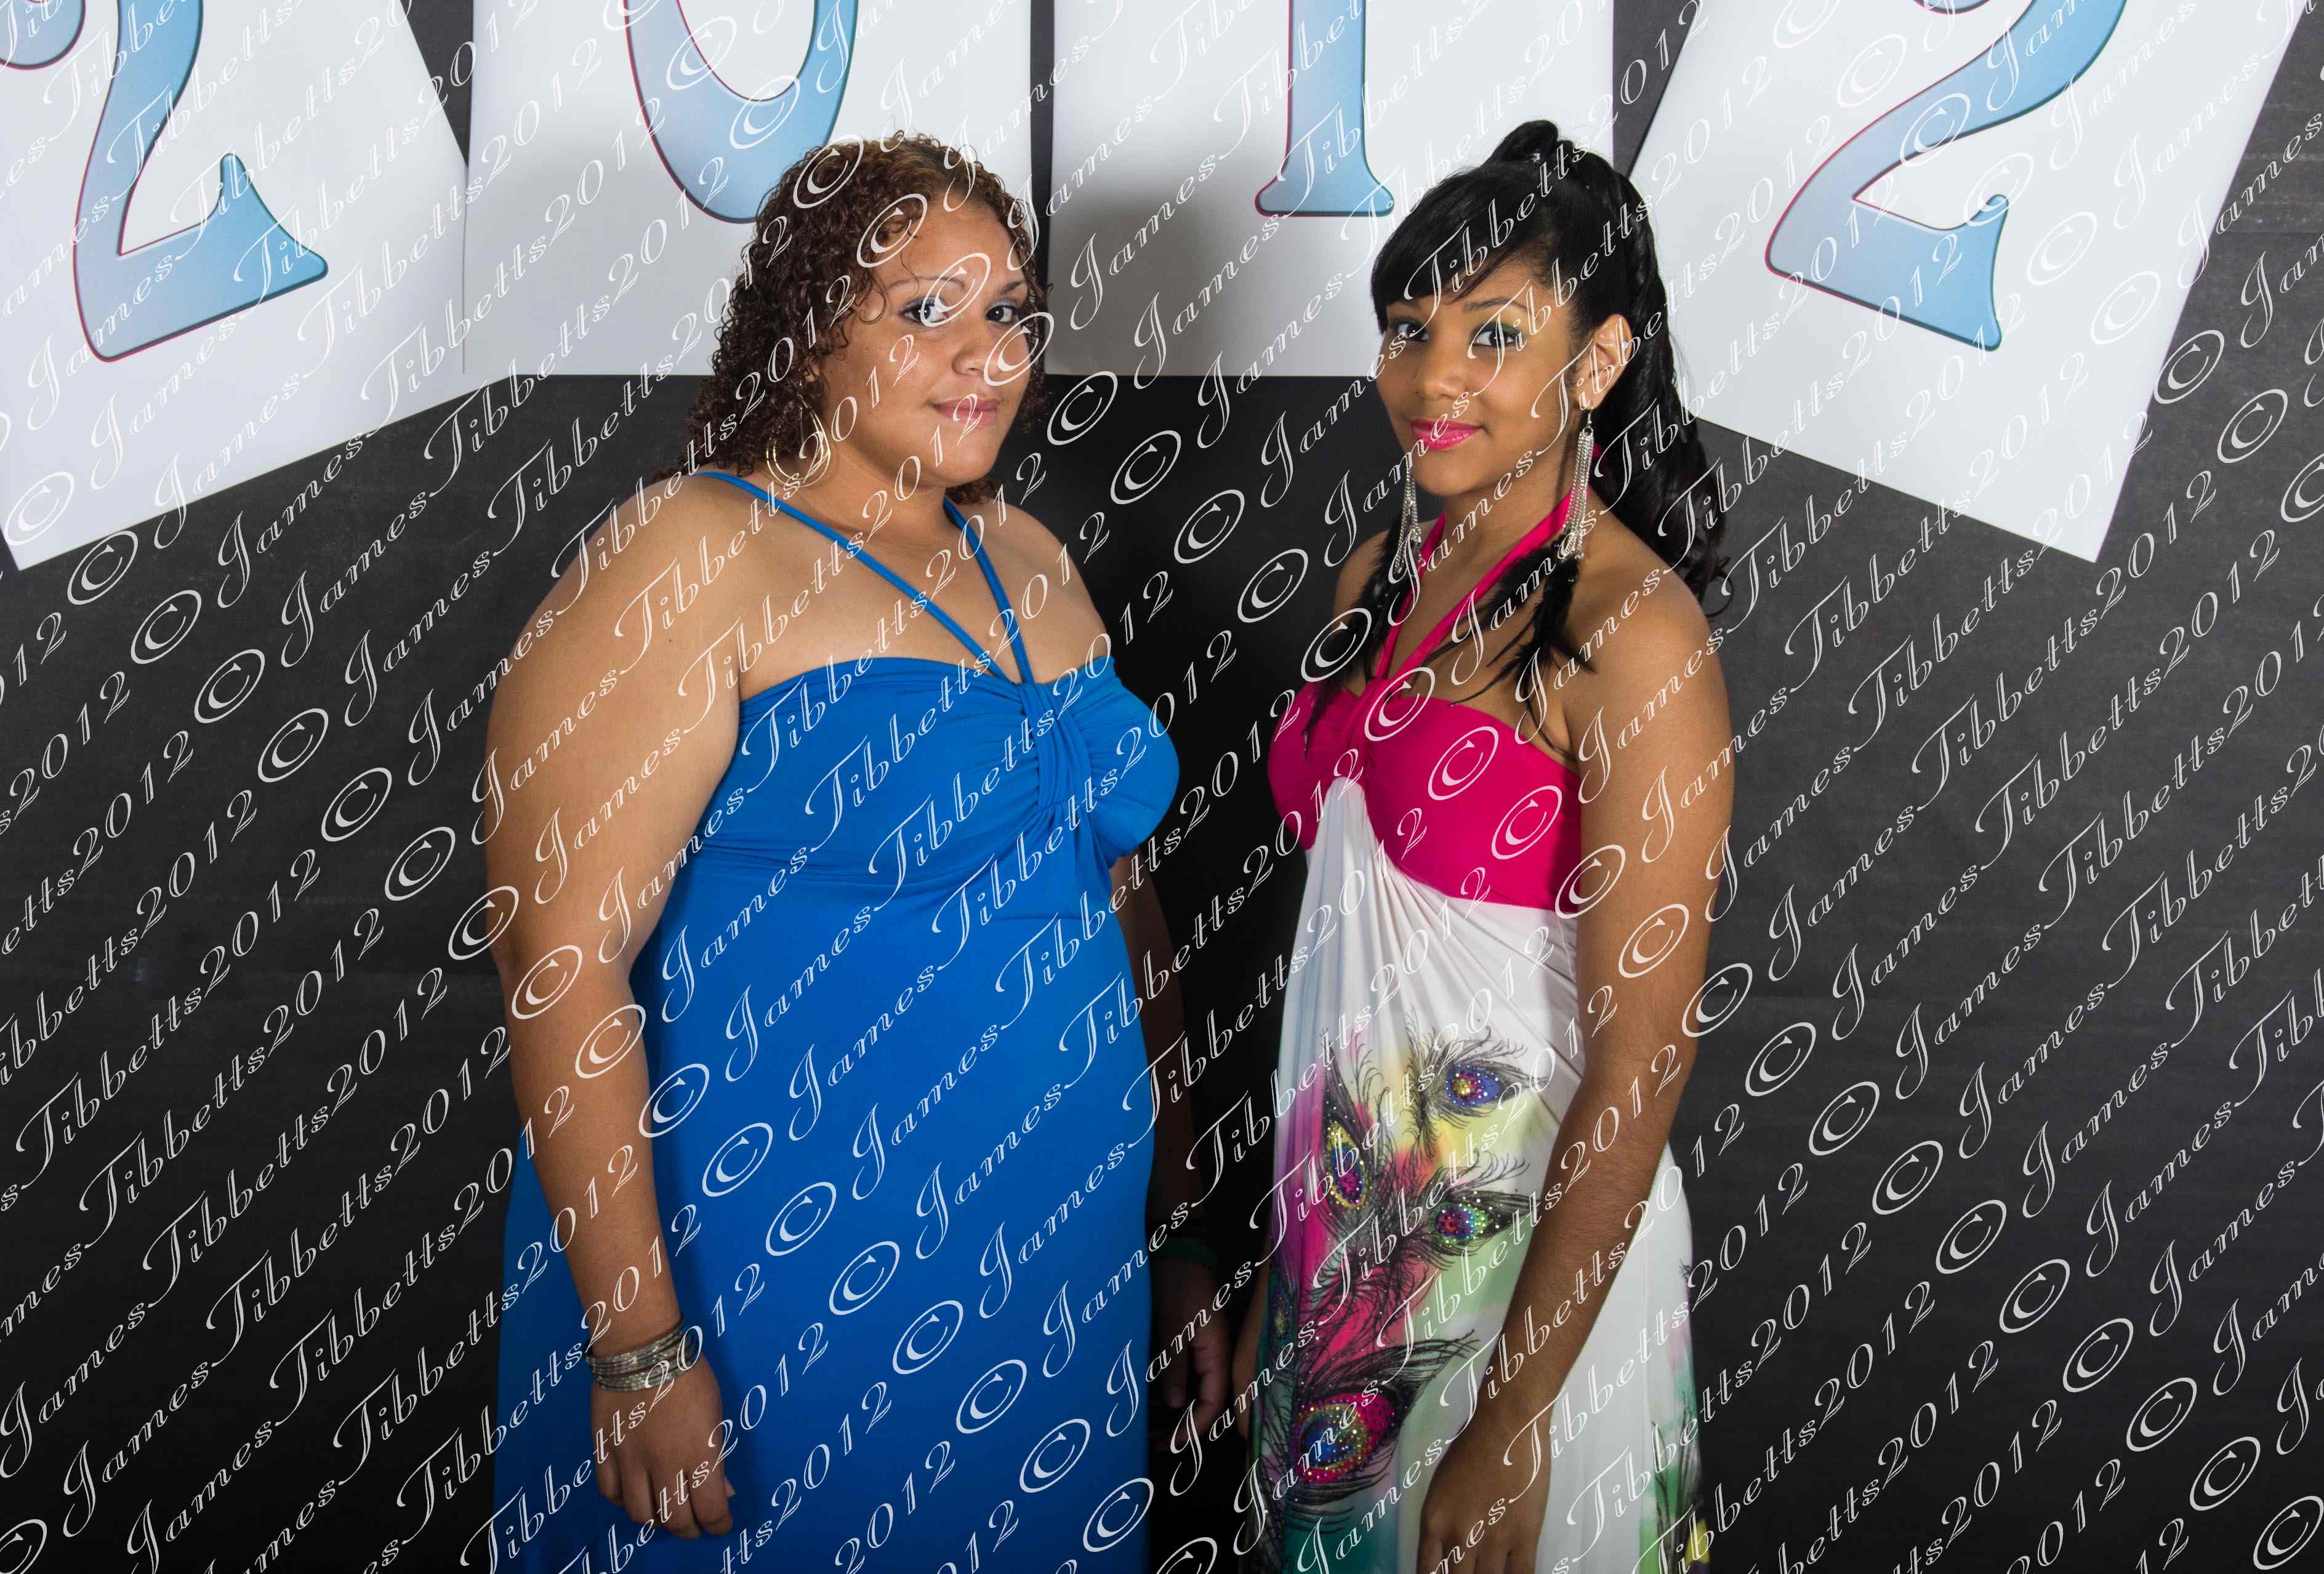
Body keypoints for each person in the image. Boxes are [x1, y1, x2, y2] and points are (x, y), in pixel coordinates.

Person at [479, 132, 1227, 1574]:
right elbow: (555, 956)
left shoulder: (1030, 557)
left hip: (1052, 1291)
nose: (985, 355)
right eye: (924, 311)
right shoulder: (690, 554)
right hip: (779, 1289)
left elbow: (1120, 903)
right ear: (812, 331)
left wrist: (1178, 1222)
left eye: (1007, 312)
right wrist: (638, 1343)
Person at [1237, 121, 1736, 1574]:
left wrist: (1517, 1414)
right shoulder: (1373, 577)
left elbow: (1641, 1059)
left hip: (1520, 1274)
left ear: (1598, 361)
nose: (1432, 375)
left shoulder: (1637, 638)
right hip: (1344, 1238)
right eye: (1408, 329)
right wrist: (1290, 1254)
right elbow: (1345, 970)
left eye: (1493, 334)